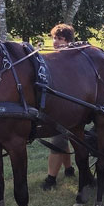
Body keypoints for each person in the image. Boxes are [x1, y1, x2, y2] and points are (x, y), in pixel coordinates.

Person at [41, 23, 75, 191]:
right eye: (54, 38)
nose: (55, 41)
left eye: (60, 38)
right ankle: (68, 169)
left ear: (68, 41)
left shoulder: (70, 57)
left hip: (68, 106)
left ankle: (50, 179)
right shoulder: (55, 55)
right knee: (62, 138)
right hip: (57, 102)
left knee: (57, 140)